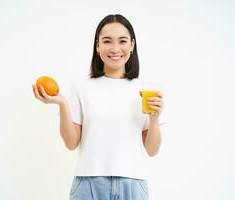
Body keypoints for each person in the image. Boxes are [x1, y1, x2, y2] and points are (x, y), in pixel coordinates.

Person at [32, 14, 164, 200]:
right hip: (88, 184)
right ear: (97, 45)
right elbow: (71, 143)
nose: (115, 48)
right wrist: (62, 104)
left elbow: (152, 150)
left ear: (132, 45)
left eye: (123, 41)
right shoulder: (81, 87)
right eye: (107, 41)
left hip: (133, 185)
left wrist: (155, 117)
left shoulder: (146, 90)